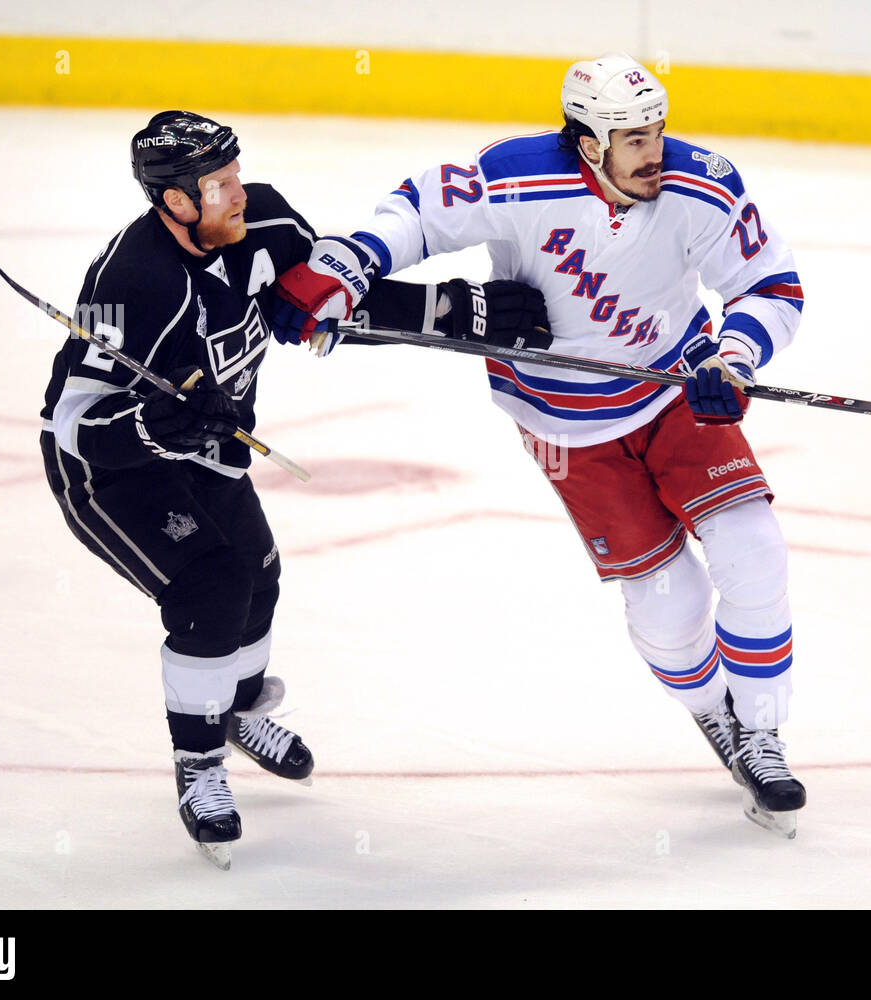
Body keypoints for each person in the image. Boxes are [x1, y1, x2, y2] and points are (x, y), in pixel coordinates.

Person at [272, 55, 808, 837]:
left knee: (753, 548)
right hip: (567, 424)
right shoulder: (519, 176)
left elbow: (772, 285)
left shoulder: (705, 184)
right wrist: (352, 262)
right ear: (588, 143)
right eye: (633, 138)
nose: (655, 148)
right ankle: (711, 713)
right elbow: (418, 211)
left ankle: (760, 730)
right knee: (670, 603)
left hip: (677, 388)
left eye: (657, 129)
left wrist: (735, 356)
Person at [39, 111, 551, 867]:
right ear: (173, 201)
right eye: (216, 185)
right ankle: (199, 765)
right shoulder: (132, 282)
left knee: (261, 579)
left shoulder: (267, 220)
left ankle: (239, 711)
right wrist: (155, 425)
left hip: (206, 450)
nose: (237, 193)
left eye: (234, 173)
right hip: (111, 472)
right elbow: (76, 423)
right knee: (211, 592)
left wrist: (458, 309)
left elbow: (325, 302)